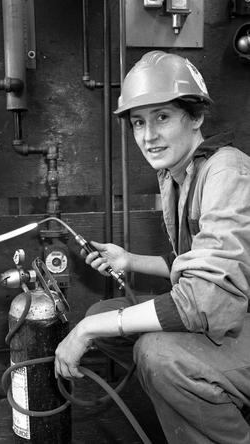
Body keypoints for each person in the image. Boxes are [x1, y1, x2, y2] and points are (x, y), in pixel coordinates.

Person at [54, 51, 250, 444]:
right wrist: (128, 260)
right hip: (230, 312)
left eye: (162, 117)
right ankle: (200, 397)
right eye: (139, 122)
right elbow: (193, 264)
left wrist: (84, 330)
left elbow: (205, 299)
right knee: (107, 314)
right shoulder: (182, 173)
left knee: (157, 353)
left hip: (238, 317)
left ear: (195, 117)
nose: (148, 135)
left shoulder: (226, 170)